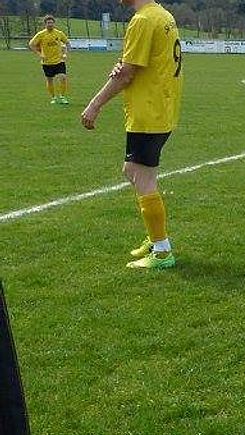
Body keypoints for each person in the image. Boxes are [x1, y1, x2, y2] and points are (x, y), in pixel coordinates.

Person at [80, 0, 182, 270]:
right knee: (133, 170)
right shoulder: (162, 15)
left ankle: (162, 250)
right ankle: (155, 237)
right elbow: (135, 62)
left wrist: (94, 105)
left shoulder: (143, 20)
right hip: (161, 108)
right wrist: (122, 65)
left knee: (139, 174)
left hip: (149, 111)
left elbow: (126, 75)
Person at [29, 15, 70, 105]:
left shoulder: (59, 33)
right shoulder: (41, 34)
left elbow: (67, 43)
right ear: (45, 24)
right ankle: (53, 97)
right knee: (49, 80)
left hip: (59, 61)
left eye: (51, 23)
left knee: (63, 77)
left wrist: (65, 54)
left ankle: (62, 97)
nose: (50, 24)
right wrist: (40, 54)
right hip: (47, 62)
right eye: (48, 23)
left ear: (54, 23)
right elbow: (31, 44)